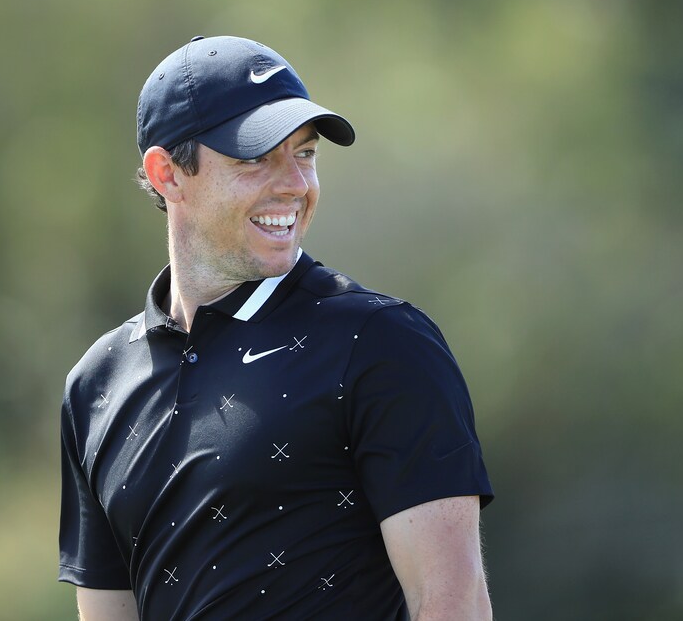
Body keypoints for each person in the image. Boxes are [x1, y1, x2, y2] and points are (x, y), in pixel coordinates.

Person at [58, 35, 494, 621]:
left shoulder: (380, 343)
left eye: (306, 153)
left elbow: (453, 604)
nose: (295, 184)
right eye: (256, 157)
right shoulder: (97, 386)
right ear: (167, 174)